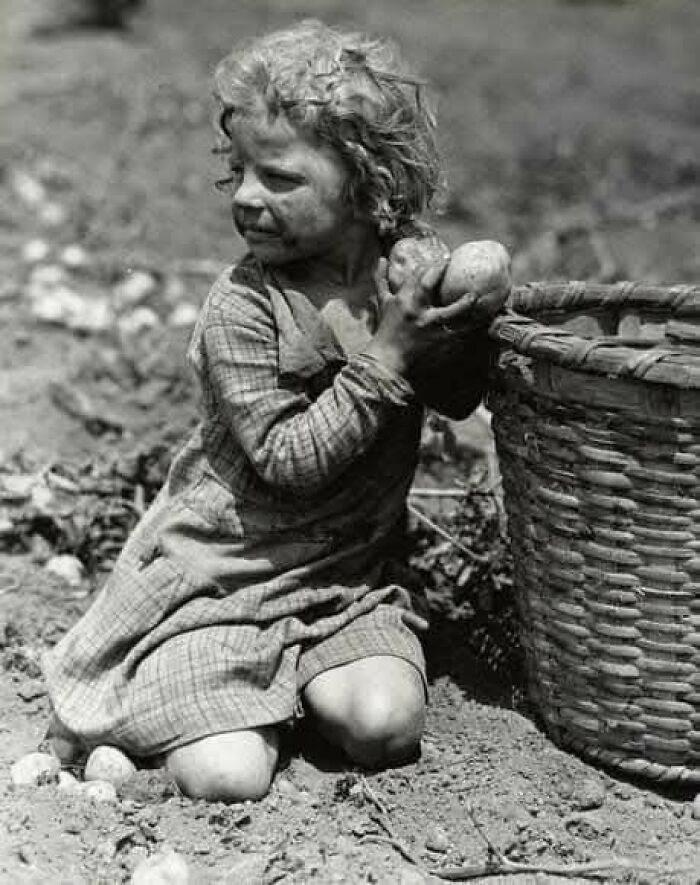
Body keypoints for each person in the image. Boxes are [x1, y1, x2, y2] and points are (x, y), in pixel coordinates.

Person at [42, 19, 508, 802]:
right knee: (227, 778)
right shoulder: (243, 307)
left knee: (386, 727)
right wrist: (388, 356)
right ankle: (206, 701)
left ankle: (274, 695)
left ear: (369, 185)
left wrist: (461, 313)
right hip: (223, 580)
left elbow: (458, 397)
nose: (250, 199)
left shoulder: (399, 273)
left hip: (341, 581)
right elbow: (289, 463)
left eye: (281, 178)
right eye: (241, 173)